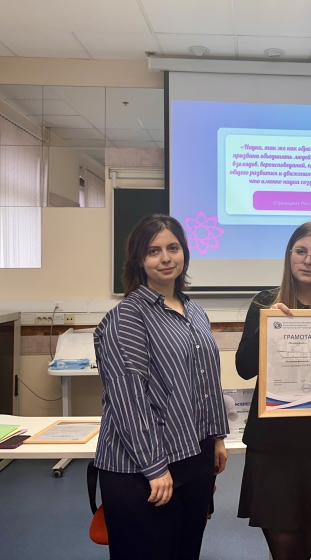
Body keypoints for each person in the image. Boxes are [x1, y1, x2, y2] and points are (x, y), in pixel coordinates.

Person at [93, 214, 230, 560]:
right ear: (138, 260)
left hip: (193, 455)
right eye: (153, 251)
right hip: (142, 468)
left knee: (186, 551)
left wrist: (216, 438)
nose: (165, 258)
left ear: (184, 252)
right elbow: (128, 400)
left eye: (173, 248)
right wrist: (154, 467)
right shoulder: (128, 317)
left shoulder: (194, 311)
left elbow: (207, 381)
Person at [236, 222, 311, 560]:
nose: (308, 260)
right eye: (301, 251)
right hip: (271, 450)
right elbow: (244, 368)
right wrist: (267, 327)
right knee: (285, 546)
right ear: (289, 255)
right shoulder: (264, 303)